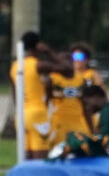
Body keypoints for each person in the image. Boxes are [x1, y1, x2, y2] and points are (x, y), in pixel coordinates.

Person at [9, 31, 69, 159]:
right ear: (38, 45)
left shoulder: (14, 67)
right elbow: (68, 69)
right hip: (37, 114)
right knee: (39, 160)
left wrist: (19, 113)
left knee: (25, 159)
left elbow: (15, 94)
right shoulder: (38, 65)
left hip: (21, 115)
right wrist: (48, 52)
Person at [49, 85, 109, 160]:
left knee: (74, 138)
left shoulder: (107, 111)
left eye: (86, 103)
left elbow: (103, 137)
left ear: (95, 98)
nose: (86, 107)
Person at [47, 52, 91, 147]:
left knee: (83, 148)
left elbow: (86, 106)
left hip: (77, 121)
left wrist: (91, 127)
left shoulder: (81, 80)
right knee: (58, 150)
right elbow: (46, 101)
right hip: (59, 122)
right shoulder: (53, 79)